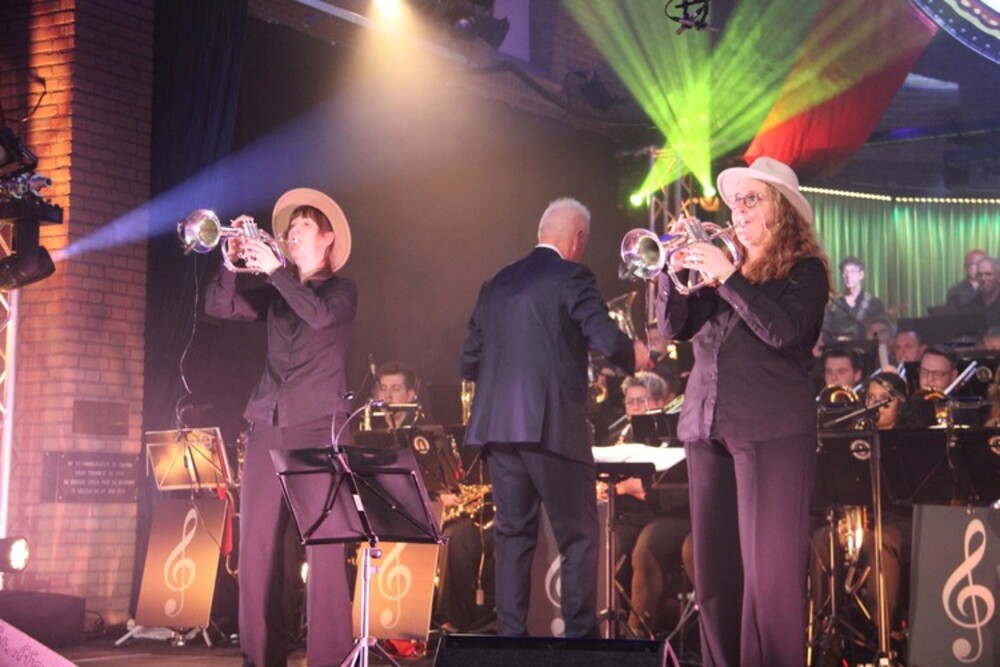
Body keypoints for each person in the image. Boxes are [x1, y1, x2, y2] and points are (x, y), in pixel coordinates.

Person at [655, 156, 830, 666]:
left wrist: (729, 276)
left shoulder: (804, 272)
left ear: (782, 209)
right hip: (707, 427)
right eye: (735, 201)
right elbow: (673, 328)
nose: (739, 209)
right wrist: (671, 271)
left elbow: (783, 331)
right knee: (715, 577)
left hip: (771, 431)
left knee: (769, 582)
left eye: (752, 199)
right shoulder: (719, 272)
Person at [459, 197, 647, 638]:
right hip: (553, 428)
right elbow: (604, 336)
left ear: (542, 233)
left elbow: (468, 362)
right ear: (577, 239)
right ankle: (579, 645)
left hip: (498, 431)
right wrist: (632, 355)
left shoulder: (495, 283)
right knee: (578, 537)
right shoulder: (572, 276)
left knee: (513, 537)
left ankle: (511, 641)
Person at [205, 188, 356, 667]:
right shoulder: (277, 293)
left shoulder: (341, 291)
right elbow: (219, 307)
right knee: (256, 551)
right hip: (268, 425)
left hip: (319, 429)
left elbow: (320, 317)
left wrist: (276, 272)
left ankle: (329, 658)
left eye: (304, 226)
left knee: (324, 550)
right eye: (290, 228)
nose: (292, 233)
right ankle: (260, 658)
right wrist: (230, 263)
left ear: (327, 239)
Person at [822, 256, 886, 343]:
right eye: (845, 272)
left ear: (861, 275)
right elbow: (825, 331)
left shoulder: (874, 304)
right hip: (838, 348)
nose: (848, 276)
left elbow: (880, 332)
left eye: (852, 271)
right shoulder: (833, 304)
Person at [959, 255, 1000, 329]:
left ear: (998, 276)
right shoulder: (969, 306)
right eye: (979, 275)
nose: (983, 278)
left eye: (988, 274)